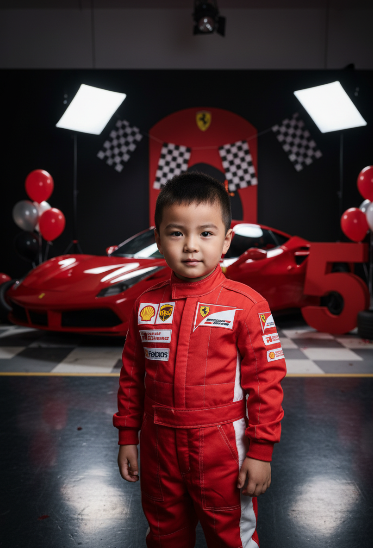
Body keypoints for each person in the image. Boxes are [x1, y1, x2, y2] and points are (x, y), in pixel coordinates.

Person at [114, 172, 286, 548]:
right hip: (159, 446)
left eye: (206, 233)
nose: (191, 246)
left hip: (222, 447)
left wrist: (261, 451)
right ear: (158, 238)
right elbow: (131, 376)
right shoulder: (145, 305)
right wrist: (128, 437)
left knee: (231, 537)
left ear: (226, 240)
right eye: (176, 233)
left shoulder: (247, 305)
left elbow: (266, 381)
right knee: (164, 535)